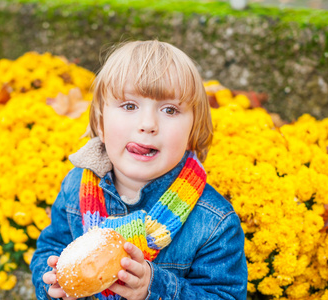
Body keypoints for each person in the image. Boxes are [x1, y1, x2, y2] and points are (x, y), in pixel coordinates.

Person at [30, 40, 248, 300]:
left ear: (193, 132)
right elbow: (51, 246)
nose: (147, 124)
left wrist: (154, 288)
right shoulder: (75, 186)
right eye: (129, 106)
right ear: (100, 121)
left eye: (170, 109)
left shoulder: (214, 222)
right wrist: (51, 282)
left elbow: (224, 295)